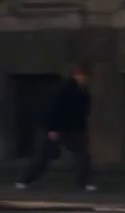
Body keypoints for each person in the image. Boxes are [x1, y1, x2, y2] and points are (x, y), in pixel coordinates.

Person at [13, 62, 95, 193]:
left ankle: (85, 182)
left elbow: (82, 114)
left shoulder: (83, 92)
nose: (86, 80)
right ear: (77, 75)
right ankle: (24, 180)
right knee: (43, 156)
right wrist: (52, 128)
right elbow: (52, 108)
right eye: (84, 76)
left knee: (82, 155)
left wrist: (83, 130)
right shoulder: (64, 88)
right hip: (54, 127)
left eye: (87, 77)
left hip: (72, 129)